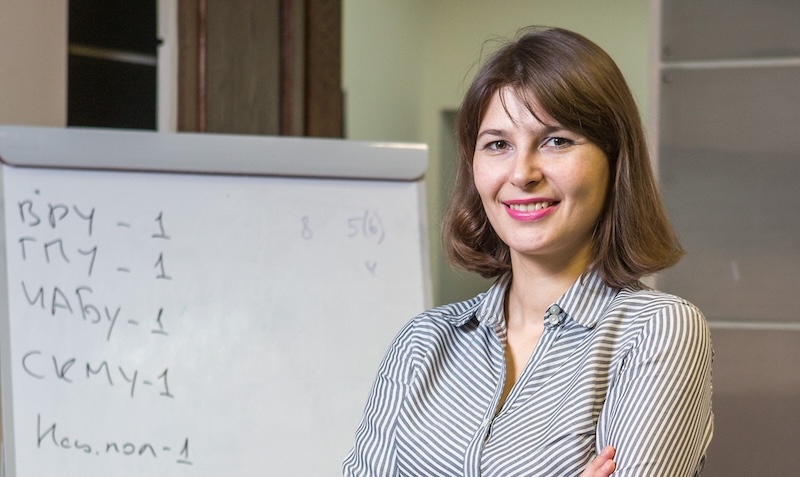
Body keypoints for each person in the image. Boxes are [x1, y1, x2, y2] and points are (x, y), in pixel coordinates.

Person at [343, 26, 713, 476]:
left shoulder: (656, 330)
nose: (522, 174)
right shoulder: (422, 343)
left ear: (615, 160)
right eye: (498, 144)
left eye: (556, 140)